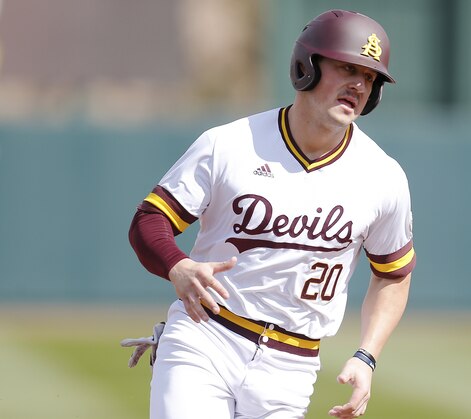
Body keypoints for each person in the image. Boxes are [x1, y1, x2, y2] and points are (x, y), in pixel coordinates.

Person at [126, 9, 415, 419]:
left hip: (292, 366)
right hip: (207, 337)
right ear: (307, 67)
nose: (359, 84)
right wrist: (178, 266)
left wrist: (367, 356)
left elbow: (394, 275)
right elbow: (149, 221)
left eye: (370, 77)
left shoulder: (382, 176)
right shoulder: (230, 144)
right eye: (348, 67)